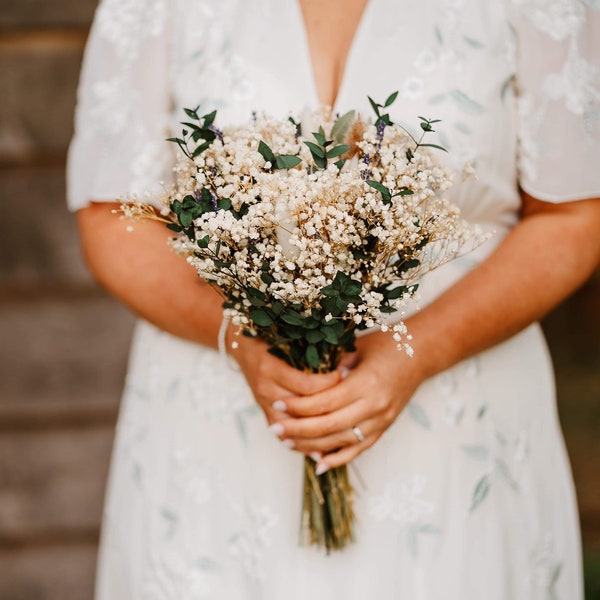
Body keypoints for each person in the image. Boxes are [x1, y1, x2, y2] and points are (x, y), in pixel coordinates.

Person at [68, 0, 600, 597]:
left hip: (461, 425)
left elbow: (574, 214)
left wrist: (419, 351)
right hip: (216, 429)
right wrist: (238, 338)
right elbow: (113, 214)